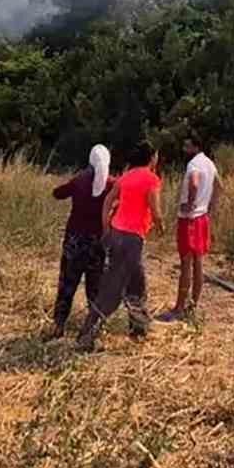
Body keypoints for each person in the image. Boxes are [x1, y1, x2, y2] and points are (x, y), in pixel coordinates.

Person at [75, 142, 162, 351]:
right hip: (131, 239)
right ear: (151, 158)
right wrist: (161, 225)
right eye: (156, 156)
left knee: (137, 282)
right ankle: (87, 334)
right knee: (113, 287)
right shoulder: (151, 179)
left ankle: (138, 328)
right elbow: (155, 209)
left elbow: (108, 201)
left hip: (117, 233)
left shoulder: (125, 177)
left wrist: (106, 226)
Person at [47, 144, 115, 339]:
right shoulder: (111, 184)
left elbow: (57, 193)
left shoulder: (80, 181)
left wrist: (78, 177)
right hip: (98, 243)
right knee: (95, 288)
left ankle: (58, 326)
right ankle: (92, 331)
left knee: (67, 284)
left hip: (74, 241)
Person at [161, 134, 220, 321]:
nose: (184, 149)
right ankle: (193, 306)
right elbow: (219, 186)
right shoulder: (210, 164)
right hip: (202, 218)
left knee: (186, 264)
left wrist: (190, 203)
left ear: (195, 147)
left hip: (189, 219)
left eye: (187, 146)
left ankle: (179, 308)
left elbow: (194, 183)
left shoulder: (193, 164)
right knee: (199, 263)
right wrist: (210, 207)